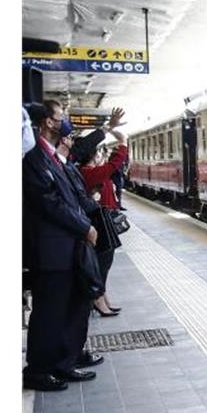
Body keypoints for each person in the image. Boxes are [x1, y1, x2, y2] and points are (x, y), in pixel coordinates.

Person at [22, 101, 99, 391]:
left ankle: (62, 363)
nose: (63, 122)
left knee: (67, 309)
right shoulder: (34, 158)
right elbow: (50, 202)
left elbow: (67, 198)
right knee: (49, 313)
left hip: (65, 248)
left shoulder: (50, 157)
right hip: (51, 250)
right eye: (59, 118)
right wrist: (84, 226)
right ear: (45, 123)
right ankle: (39, 371)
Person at [79, 132, 129, 315]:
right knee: (102, 262)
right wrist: (123, 143)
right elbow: (114, 165)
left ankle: (102, 295)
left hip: (103, 220)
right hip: (99, 222)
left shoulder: (91, 172)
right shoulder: (89, 173)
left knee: (105, 262)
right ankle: (98, 299)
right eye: (99, 152)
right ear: (93, 155)